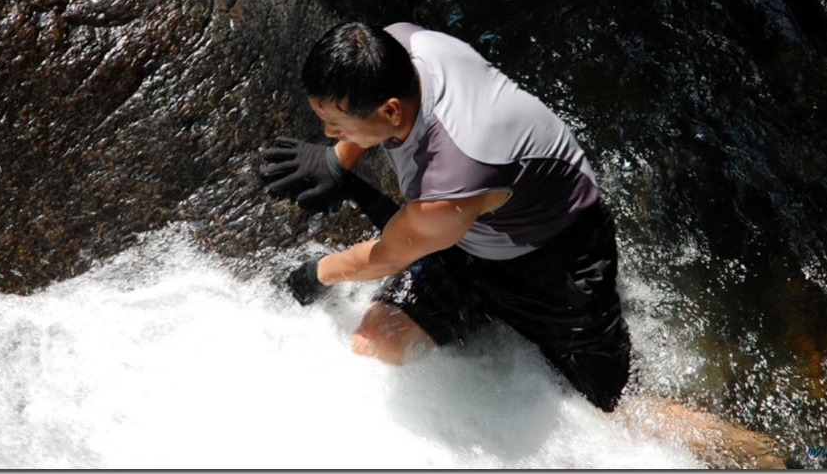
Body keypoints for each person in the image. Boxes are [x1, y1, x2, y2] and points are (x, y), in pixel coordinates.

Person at [260, 21, 631, 412]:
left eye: (337, 124)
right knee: (373, 344)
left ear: (390, 111)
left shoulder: (451, 174)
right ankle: (475, 319)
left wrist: (316, 274)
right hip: (466, 239)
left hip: (557, 266)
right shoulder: (401, 44)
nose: (327, 129)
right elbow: (370, 114)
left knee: (611, 408)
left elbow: (388, 255)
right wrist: (338, 161)